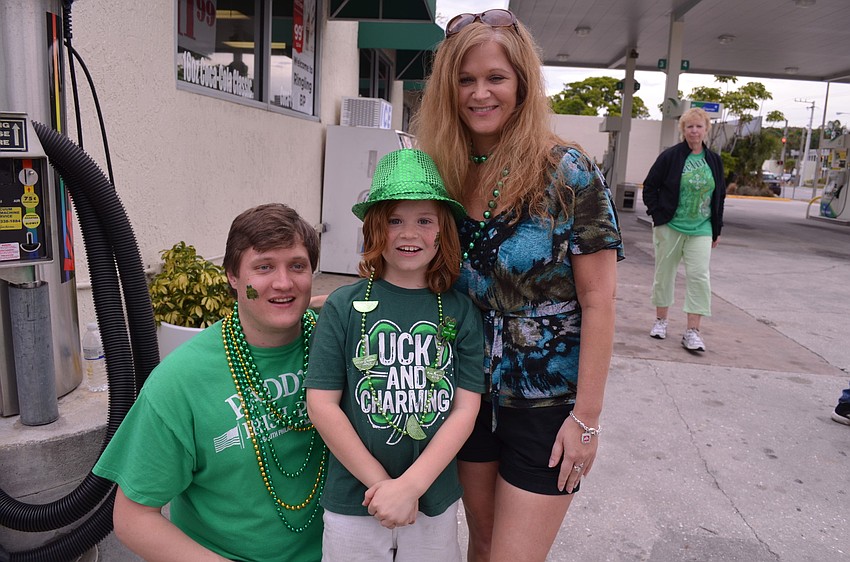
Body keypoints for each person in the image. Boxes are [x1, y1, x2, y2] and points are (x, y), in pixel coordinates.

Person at [410, 10, 623, 562]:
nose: (480, 93)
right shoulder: (442, 170)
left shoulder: (568, 171)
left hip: (547, 406)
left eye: (495, 78)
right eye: (465, 80)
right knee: (480, 544)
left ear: (522, 83)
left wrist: (588, 420)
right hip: (463, 396)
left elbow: (600, 301)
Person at [93, 203, 325, 562]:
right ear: (233, 276)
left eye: (297, 266)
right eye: (264, 267)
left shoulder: (337, 343)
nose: (283, 282)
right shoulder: (181, 381)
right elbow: (133, 518)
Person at [305, 148, 485, 561]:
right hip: (355, 497)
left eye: (424, 220)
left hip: (432, 497)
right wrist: (383, 487)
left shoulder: (459, 310)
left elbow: (465, 409)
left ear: (443, 232)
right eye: (394, 220)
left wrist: (411, 487)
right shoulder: (344, 307)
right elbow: (322, 404)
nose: (409, 233)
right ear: (374, 229)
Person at [642, 107, 726, 352]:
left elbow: (719, 195)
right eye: (690, 126)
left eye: (699, 126)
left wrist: (716, 228)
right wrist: (658, 215)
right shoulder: (670, 156)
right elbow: (650, 187)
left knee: (699, 277)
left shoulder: (713, 161)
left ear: (706, 129)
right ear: (683, 130)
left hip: (701, 228)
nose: (694, 131)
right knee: (664, 274)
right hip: (671, 226)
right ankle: (661, 320)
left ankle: (693, 331)